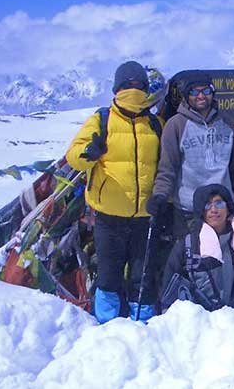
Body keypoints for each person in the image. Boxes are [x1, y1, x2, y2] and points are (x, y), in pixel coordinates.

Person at [65, 61, 163, 324]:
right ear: (117, 88)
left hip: (144, 215)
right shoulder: (102, 119)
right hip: (110, 216)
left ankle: (134, 323)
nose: (133, 89)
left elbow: (165, 167)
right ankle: (112, 325)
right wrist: (89, 153)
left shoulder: (155, 124)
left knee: (140, 274)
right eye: (127, 85)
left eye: (137, 85)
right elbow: (74, 156)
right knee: (110, 274)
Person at [148, 71, 234, 239]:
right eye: (194, 92)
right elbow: (167, 169)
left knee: (222, 261)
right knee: (190, 262)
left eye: (206, 91)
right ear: (186, 96)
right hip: (188, 211)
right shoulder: (176, 125)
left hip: (221, 210)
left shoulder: (227, 123)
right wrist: (160, 196)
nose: (201, 96)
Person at [160, 184, 234, 312]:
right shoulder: (189, 246)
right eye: (207, 205)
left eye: (219, 203)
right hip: (203, 324)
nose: (214, 210)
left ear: (228, 208)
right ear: (201, 212)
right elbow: (169, 290)